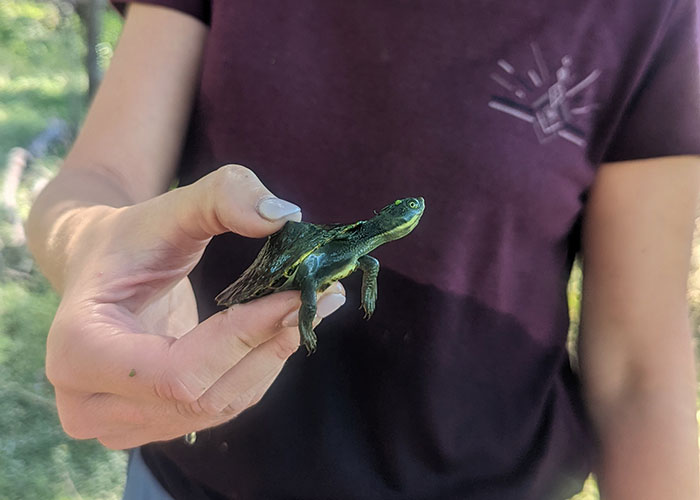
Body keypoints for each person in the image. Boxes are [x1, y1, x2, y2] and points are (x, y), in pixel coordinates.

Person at [26, 1, 700, 499]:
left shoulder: (656, 17)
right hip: (199, 477)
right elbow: (99, 182)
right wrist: (93, 246)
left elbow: (641, 372)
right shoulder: (349, 249)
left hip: (488, 481)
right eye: (405, 214)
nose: (412, 218)